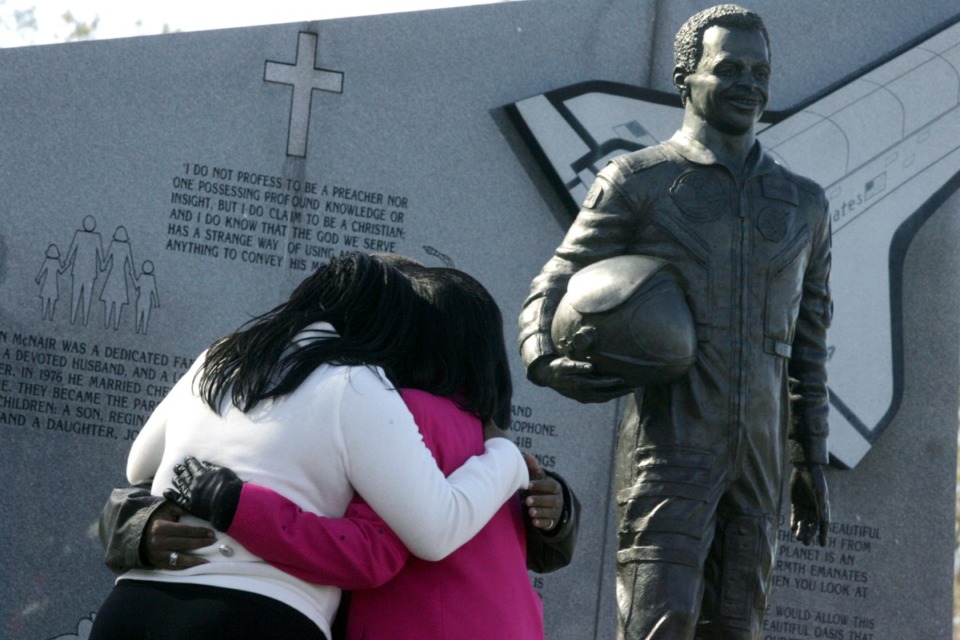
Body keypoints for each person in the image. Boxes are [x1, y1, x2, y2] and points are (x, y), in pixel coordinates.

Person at [518, 5, 831, 639]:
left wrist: (810, 459)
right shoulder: (640, 179)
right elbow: (552, 284)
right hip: (670, 449)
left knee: (737, 630)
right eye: (729, 68)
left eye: (760, 70)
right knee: (659, 626)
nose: (750, 83)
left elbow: (809, 343)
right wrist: (545, 357)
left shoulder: (804, 203)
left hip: (762, 461)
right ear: (685, 77)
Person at [98, 266, 579, 640]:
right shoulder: (375, 397)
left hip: (140, 604)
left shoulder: (222, 356)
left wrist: (218, 506)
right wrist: (510, 460)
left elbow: (140, 468)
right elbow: (399, 544)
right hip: (262, 614)